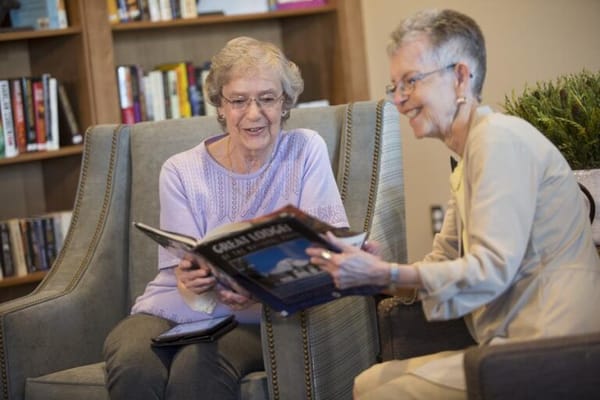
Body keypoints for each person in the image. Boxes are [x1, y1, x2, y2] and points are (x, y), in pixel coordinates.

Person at [307, 8, 600, 400]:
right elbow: (440, 264)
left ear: (461, 76)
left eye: (411, 81)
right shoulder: (468, 161)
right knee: (371, 381)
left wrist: (388, 274)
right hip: (510, 347)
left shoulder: (499, 141)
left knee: (378, 392)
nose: (399, 100)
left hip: (555, 351)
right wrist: (375, 273)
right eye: (394, 86)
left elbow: (491, 269)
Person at [103, 36, 349, 400]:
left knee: (196, 367)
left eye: (267, 98)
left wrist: (255, 293)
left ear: (285, 103)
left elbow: (329, 250)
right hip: (175, 305)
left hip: (260, 315)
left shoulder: (305, 150)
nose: (254, 114)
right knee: (133, 361)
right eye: (238, 100)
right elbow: (181, 275)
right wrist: (193, 280)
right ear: (220, 106)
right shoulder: (180, 170)